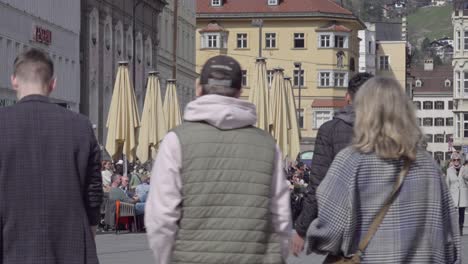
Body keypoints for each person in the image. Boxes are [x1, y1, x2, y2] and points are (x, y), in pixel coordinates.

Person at [145, 55, 291, 264]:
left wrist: (165, 260)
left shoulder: (176, 140)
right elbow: (282, 216)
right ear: (240, 92)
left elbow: (161, 217)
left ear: (198, 89)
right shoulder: (268, 144)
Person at [307, 77, 460, 263]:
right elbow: (450, 242)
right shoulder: (429, 166)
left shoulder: (350, 161)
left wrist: (311, 235)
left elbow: (328, 234)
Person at [0, 48, 102, 263]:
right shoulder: (81, 126)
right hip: (70, 247)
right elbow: (93, 194)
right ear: (53, 83)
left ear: (14, 81)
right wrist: (89, 233)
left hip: (11, 247)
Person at [291, 72, 373, 255]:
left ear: (347, 98)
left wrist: (301, 229)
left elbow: (318, 185)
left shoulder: (329, 130)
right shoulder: (389, 131)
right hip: (379, 229)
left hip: (342, 229)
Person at [446, 152, 468, 235]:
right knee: (453, 213)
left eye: (458, 159)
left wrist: (465, 177)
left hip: (462, 194)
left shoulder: (465, 169)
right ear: (452, 160)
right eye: (454, 160)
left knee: (461, 213)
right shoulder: (449, 170)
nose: (456, 161)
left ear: (460, 160)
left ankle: (460, 228)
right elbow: (447, 183)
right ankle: (454, 229)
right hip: (453, 195)